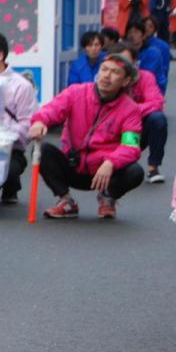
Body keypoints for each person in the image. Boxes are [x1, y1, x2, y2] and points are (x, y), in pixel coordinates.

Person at [29, 52, 145, 220]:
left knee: (135, 172)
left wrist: (111, 162)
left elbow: (131, 146)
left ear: (126, 81)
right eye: (104, 69)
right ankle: (66, 201)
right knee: (42, 151)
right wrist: (40, 121)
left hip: (104, 173)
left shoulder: (131, 109)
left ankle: (107, 196)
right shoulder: (76, 92)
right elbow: (52, 109)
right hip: (73, 165)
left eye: (115, 72)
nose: (107, 75)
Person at [0, 31, 39, 203]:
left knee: (7, 169)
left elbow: (27, 128)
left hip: (9, 150)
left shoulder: (21, 87)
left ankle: (11, 185)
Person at [110, 41, 167, 184]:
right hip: (112, 130)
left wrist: (131, 110)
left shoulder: (146, 77)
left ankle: (153, 167)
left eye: (127, 61)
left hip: (137, 129)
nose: (123, 66)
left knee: (158, 119)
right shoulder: (107, 79)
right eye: (119, 62)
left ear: (135, 61)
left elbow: (156, 102)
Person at [125, 19, 167, 92]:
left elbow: (146, 75)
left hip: (152, 88)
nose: (132, 35)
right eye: (130, 32)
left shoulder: (153, 52)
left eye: (136, 32)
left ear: (144, 36)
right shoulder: (125, 51)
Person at [142, 15, 170, 93]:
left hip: (154, 85)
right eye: (144, 25)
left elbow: (164, 70)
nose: (146, 28)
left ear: (155, 29)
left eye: (150, 26)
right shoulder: (135, 44)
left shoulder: (163, 46)